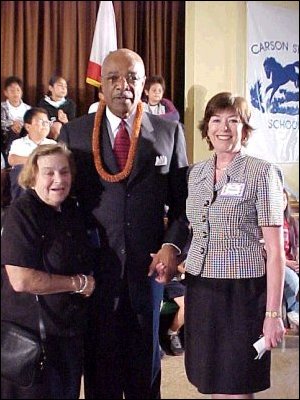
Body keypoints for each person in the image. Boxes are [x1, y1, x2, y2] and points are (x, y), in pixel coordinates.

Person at [59, 48, 189, 399]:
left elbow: (184, 206)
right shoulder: (74, 134)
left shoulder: (168, 132)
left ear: (143, 83)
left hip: (148, 273)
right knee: (100, 371)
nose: (123, 86)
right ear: (101, 85)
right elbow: (61, 205)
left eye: (131, 77)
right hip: (95, 275)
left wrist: (172, 246)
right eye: (114, 78)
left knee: (145, 371)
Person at [184, 92, 285, 399]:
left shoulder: (261, 172)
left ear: (245, 129)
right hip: (202, 288)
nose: (223, 127)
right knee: (212, 380)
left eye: (233, 120)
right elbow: (197, 230)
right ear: (206, 128)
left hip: (241, 294)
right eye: (216, 120)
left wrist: (272, 314)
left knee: (236, 383)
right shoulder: (196, 173)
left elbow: (276, 252)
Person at [1, 143, 96, 399]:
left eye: (64, 172)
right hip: (31, 340)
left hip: (66, 335)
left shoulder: (70, 210)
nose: (58, 180)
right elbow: (21, 280)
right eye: (49, 173)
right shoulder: (21, 213)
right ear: (33, 175)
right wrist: (78, 283)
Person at [7, 107, 56, 201]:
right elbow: (12, 160)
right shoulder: (18, 143)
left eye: (47, 122)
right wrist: (38, 161)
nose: (45, 125)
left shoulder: (52, 144)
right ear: (28, 126)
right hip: (26, 181)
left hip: (47, 179)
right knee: (20, 169)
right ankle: (20, 209)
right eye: (42, 122)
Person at [1, 76, 31, 165]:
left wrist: (20, 125)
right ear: (6, 93)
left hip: (24, 134)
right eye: (12, 91)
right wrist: (12, 123)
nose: (15, 93)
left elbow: (31, 122)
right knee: (13, 131)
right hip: (5, 136)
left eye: (18, 90)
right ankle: (9, 161)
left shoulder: (28, 108)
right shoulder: (2, 107)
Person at [38, 75, 76, 139]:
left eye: (65, 86)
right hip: (47, 133)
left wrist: (65, 121)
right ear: (51, 88)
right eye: (60, 85)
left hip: (65, 134)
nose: (63, 88)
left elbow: (73, 125)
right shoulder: (43, 103)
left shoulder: (70, 104)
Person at [283, 188, 299, 328]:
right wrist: (287, 263)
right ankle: (293, 310)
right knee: (292, 280)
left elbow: (297, 245)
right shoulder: (267, 222)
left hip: (291, 261)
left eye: (283, 199)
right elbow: (265, 250)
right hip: (276, 263)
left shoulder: (292, 221)